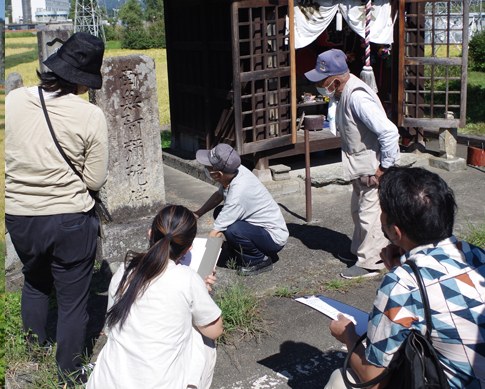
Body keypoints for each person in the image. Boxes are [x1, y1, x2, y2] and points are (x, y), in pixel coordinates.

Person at [4, 32, 108, 383]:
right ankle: (69, 373)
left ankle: (33, 346)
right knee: (73, 300)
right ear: (84, 78)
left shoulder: (14, 100)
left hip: (19, 215)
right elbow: (94, 180)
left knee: (34, 280)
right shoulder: (90, 115)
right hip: (69, 219)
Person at [324, 166, 485, 389]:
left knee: (340, 380)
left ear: (395, 232)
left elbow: (373, 381)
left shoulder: (405, 283)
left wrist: (348, 336)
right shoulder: (476, 255)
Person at [87, 205, 223, 389]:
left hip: (107, 382)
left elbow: (111, 326)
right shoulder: (188, 279)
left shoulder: (124, 271)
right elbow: (214, 331)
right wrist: (201, 293)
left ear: (150, 234)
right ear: (188, 248)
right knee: (201, 337)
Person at [305, 48, 400, 279]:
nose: (319, 85)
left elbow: (389, 132)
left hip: (372, 168)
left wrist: (385, 168)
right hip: (360, 168)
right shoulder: (343, 92)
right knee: (358, 213)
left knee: (370, 216)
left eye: (322, 81)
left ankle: (371, 263)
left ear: (335, 80)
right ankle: (359, 252)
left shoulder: (356, 96)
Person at [192, 144, 288, 276]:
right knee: (219, 212)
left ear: (218, 174)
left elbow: (216, 232)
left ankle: (259, 260)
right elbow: (219, 195)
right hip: (257, 228)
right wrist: (197, 214)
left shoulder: (238, 193)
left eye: (208, 166)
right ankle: (237, 249)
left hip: (273, 238)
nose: (205, 168)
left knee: (233, 230)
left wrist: (198, 261)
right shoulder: (235, 171)